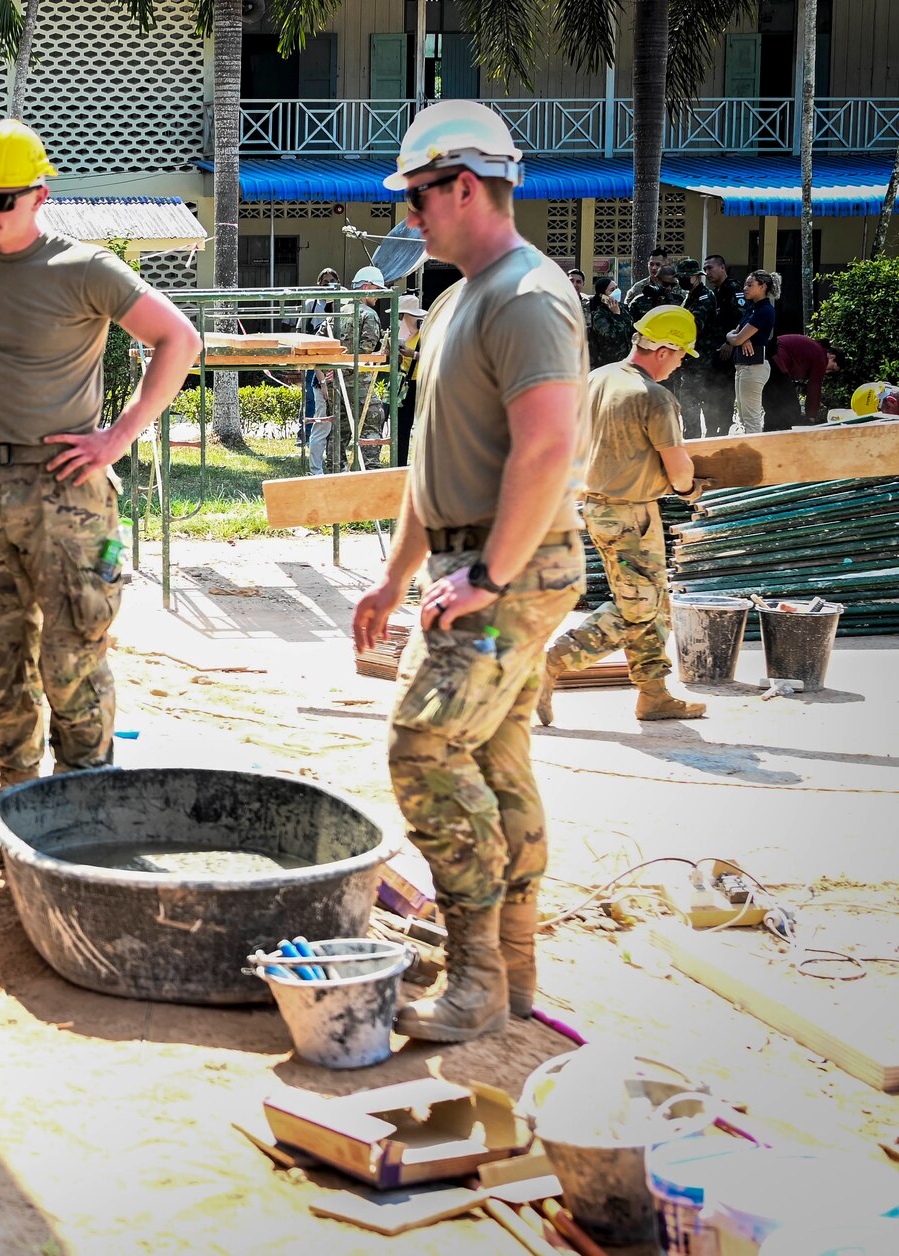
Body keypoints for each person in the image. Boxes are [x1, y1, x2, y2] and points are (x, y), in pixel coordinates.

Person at [352, 100, 589, 1043]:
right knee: (495, 757)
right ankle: (514, 974)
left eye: (416, 197)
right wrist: (394, 573)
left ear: (462, 185)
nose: (409, 216)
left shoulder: (528, 296)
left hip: (513, 565)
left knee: (424, 747)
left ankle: (477, 976)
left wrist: (487, 578)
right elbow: (430, 464)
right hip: (474, 555)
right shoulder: (459, 300)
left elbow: (545, 448)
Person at [0, 119, 199, 878]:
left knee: (70, 664)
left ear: (41, 194)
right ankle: (16, 824)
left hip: (70, 495)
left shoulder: (86, 269)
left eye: (3, 198)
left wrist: (121, 436)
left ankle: (83, 835)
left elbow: (179, 339)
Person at [538, 307, 711, 728]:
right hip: (632, 515)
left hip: (598, 507)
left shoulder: (598, 379)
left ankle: (653, 695)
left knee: (655, 606)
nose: (682, 361)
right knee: (638, 608)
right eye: (681, 354)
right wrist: (690, 491)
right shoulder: (653, 398)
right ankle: (547, 664)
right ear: (665, 349)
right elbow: (681, 469)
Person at [324, 265, 389, 469]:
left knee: (338, 429)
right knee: (373, 418)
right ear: (367, 287)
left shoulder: (336, 313)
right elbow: (366, 349)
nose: (378, 296)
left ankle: (337, 468)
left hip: (336, 383)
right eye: (377, 290)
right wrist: (378, 356)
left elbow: (321, 342)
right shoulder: (368, 314)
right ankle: (370, 469)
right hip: (359, 384)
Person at [670, 258, 717, 438]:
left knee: (691, 402)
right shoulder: (690, 297)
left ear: (697, 277)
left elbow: (694, 326)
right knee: (685, 403)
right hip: (687, 359)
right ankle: (691, 437)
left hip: (700, 359)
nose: (682, 280)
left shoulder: (704, 297)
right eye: (679, 277)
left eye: (685, 276)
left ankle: (695, 440)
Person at [727, 270, 777, 435]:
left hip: (754, 366)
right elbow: (735, 334)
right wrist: (741, 338)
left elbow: (735, 338)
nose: (745, 288)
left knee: (751, 419)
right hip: (742, 366)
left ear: (763, 287)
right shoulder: (752, 307)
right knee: (743, 416)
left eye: (750, 285)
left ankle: (756, 455)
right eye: (745, 284)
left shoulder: (764, 310)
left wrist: (739, 338)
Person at [297, 268, 342, 450]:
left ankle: (328, 436)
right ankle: (305, 434)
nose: (328, 284)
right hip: (312, 353)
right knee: (309, 395)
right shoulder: (311, 303)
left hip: (332, 354)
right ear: (319, 283)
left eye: (332, 281)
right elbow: (300, 328)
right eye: (325, 281)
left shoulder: (341, 303)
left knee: (330, 397)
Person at [701, 255, 743, 436]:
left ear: (722, 268)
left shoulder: (732, 289)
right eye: (705, 269)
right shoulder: (715, 292)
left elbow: (742, 318)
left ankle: (723, 430)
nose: (707, 272)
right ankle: (711, 430)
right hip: (714, 353)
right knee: (711, 391)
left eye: (710, 268)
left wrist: (730, 343)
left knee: (725, 392)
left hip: (727, 352)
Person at [766, 333, 838, 430]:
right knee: (791, 409)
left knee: (773, 409)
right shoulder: (821, 356)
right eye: (831, 369)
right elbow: (814, 387)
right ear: (831, 357)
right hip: (776, 362)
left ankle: (768, 437)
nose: (827, 372)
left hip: (766, 361)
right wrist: (811, 418)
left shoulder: (812, 347)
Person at [393, 293, 426, 466]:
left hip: (422, 383)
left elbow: (436, 355)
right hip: (405, 383)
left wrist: (412, 354)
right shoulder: (402, 332)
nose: (399, 318)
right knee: (402, 426)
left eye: (401, 315)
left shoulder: (426, 332)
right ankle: (400, 464)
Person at [587, 277, 632, 367]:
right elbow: (612, 336)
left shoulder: (623, 308)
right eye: (612, 290)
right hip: (609, 363)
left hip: (627, 361)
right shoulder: (599, 315)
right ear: (602, 295)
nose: (617, 291)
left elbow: (630, 329)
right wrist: (616, 315)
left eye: (616, 288)